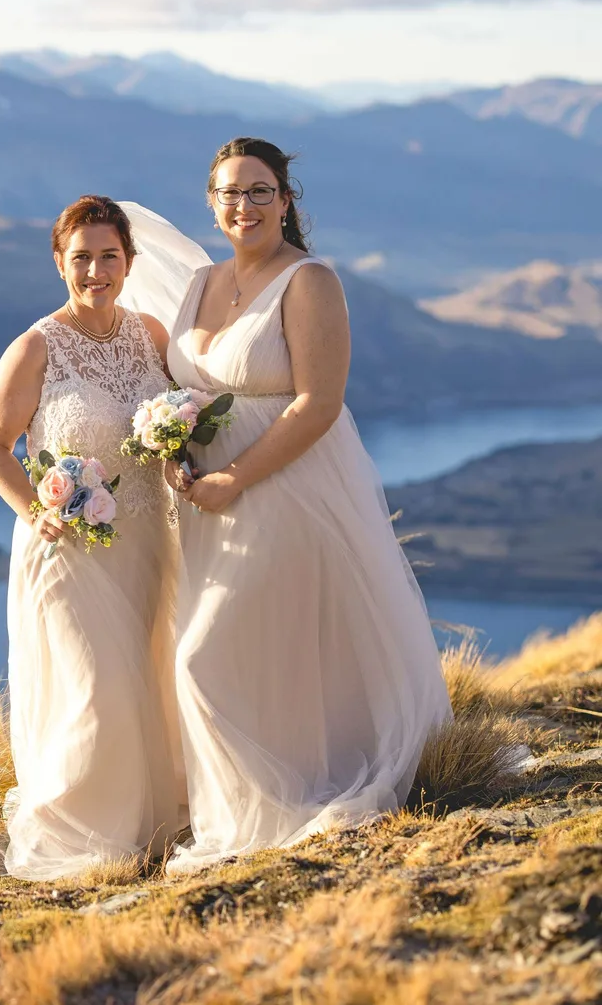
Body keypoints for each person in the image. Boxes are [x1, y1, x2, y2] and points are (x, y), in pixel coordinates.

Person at [163, 137, 452, 873]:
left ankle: (258, 820)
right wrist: (172, 449)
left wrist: (237, 479)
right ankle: (267, 798)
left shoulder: (310, 281)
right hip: (207, 508)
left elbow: (319, 404)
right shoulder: (196, 282)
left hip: (287, 490)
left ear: (287, 202)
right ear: (210, 202)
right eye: (230, 192)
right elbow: (178, 390)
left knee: (202, 659)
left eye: (261, 191)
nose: (244, 206)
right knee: (264, 653)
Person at [0, 195, 183, 879]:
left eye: (109, 256)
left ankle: (151, 830)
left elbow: (175, 424)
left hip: (150, 545)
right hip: (67, 548)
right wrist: (33, 507)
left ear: (130, 260)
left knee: (149, 682)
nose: (96, 270)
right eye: (81, 258)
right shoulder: (36, 345)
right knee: (97, 688)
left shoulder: (150, 333)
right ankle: (86, 840)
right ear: (59, 262)